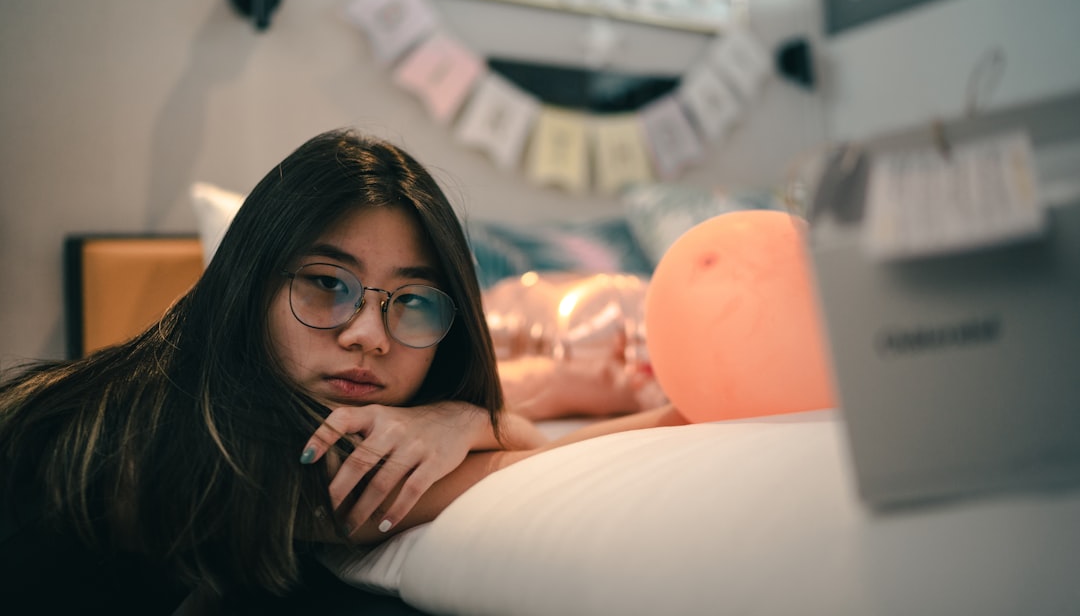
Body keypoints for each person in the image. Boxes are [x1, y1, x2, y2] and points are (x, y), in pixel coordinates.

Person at [0, 128, 684, 614]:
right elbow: (543, 462)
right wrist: (484, 420)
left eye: (412, 302)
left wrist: (464, 415)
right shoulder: (240, 439)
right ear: (248, 287)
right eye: (327, 285)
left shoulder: (155, 391)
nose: (368, 337)